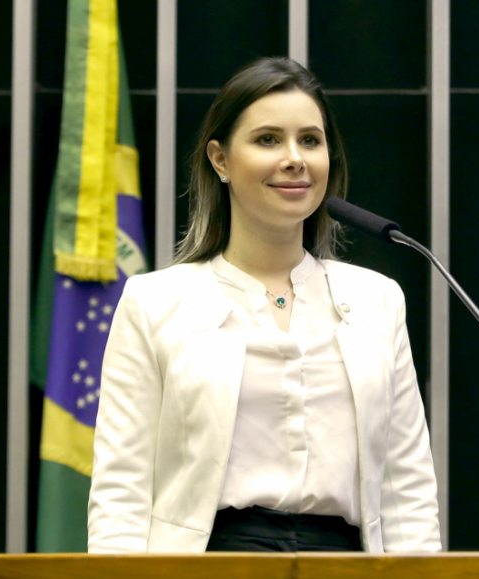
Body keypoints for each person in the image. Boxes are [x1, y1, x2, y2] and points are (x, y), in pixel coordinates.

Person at [87, 57, 440, 553]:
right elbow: (121, 488)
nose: (295, 158)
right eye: (268, 139)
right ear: (221, 160)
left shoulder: (377, 299)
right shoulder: (154, 302)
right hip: (210, 562)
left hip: (348, 562)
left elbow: (407, 486)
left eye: (311, 140)